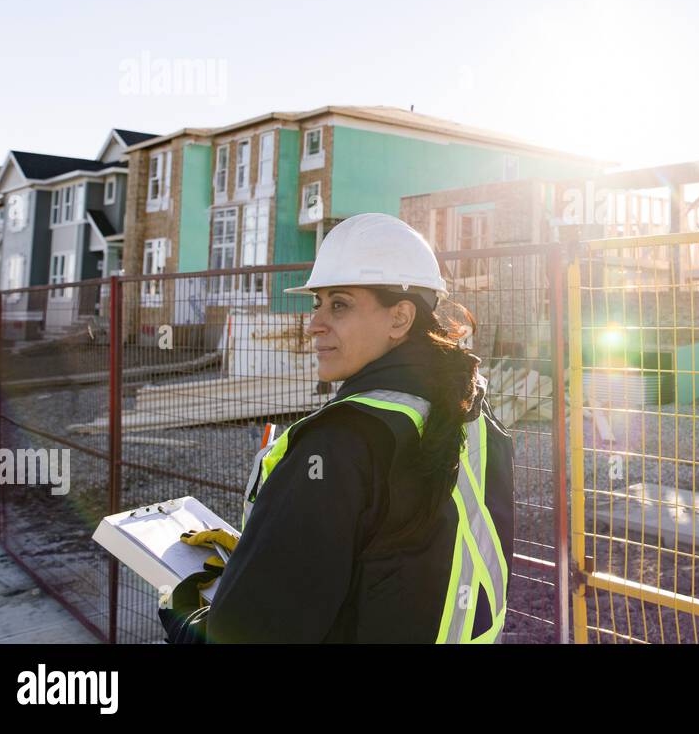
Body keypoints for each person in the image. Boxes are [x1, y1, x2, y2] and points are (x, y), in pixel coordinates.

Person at [159, 213, 515, 643]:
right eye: (317, 303)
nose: (315, 324)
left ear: (400, 318)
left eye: (340, 304)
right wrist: (271, 549)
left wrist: (183, 616)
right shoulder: (468, 408)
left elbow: (250, 632)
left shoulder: (341, 441)